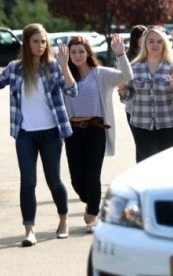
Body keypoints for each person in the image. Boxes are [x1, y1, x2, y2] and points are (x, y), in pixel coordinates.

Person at [0, 23, 77, 247]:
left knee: (54, 181)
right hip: (25, 134)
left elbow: (72, 90)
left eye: (43, 41)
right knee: (28, 182)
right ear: (26, 43)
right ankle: (30, 230)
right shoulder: (15, 68)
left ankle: (63, 220)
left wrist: (65, 67)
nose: (40, 46)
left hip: (52, 133)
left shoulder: (54, 66)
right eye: (36, 41)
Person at [64, 34, 132, 233]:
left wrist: (120, 54)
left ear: (88, 53)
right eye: (73, 52)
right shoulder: (64, 74)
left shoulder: (100, 74)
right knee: (77, 179)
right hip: (73, 131)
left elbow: (126, 76)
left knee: (92, 176)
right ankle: (92, 201)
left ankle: (92, 216)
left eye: (81, 51)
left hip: (96, 130)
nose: (77, 55)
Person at [118, 26, 173, 162]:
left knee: (166, 163)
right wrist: (122, 88)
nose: (155, 45)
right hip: (141, 123)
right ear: (144, 44)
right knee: (147, 161)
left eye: (159, 41)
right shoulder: (134, 67)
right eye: (151, 41)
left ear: (165, 44)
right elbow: (127, 97)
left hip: (171, 123)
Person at [118, 25, 147, 162]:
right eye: (144, 37)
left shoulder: (151, 55)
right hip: (133, 107)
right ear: (136, 39)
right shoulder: (128, 58)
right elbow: (124, 82)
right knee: (141, 144)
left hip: (150, 107)